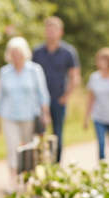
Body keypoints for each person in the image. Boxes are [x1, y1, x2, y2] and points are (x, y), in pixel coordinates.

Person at [0, 37, 51, 191]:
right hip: (9, 115)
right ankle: (13, 181)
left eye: (18, 53)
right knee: (12, 148)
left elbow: (42, 93)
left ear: (24, 53)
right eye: (13, 53)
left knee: (29, 149)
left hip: (30, 115)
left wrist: (46, 114)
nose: (16, 56)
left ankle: (28, 180)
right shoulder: (4, 71)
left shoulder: (34, 70)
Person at [32, 16, 80, 162]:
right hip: (40, 100)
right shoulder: (37, 52)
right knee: (40, 134)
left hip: (59, 99)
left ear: (61, 32)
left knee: (58, 134)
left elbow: (75, 77)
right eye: (48, 30)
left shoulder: (68, 52)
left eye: (54, 30)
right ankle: (41, 165)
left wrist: (65, 97)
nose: (51, 33)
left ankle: (56, 165)